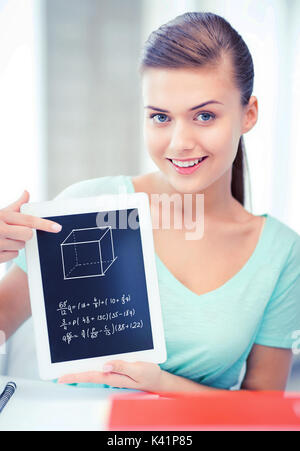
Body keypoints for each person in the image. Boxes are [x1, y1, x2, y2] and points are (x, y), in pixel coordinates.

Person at [1, 11, 300, 392]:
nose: (179, 143)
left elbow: (263, 409)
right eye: (161, 117)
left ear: (249, 114)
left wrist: (161, 383)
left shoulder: (282, 253)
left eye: (204, 115)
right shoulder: (89, 207)